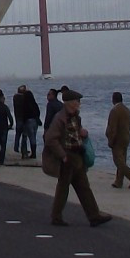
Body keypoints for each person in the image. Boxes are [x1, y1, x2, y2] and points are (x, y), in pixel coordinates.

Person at [45, 89, 111, 227]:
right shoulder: (60, 118)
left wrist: (83, 134)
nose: (79, 104)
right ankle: (56, 217)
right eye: (77, 101)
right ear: (70, 103)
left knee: (84, 187)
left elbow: (74, 133)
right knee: (64, 187)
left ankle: (94, 216)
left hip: (77, 155)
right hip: (68, 157)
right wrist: (62, 155)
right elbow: (50, 138)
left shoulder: (75, 117)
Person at [105, 91, 130, 189]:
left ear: (113, 99)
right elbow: (129, 125)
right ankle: (119, 181)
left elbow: (112, 128)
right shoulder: (127, 110)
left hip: (118, 139)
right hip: (126, 137)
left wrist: (111, 140)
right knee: (122, 159)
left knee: (118, 161)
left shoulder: (114, 111)